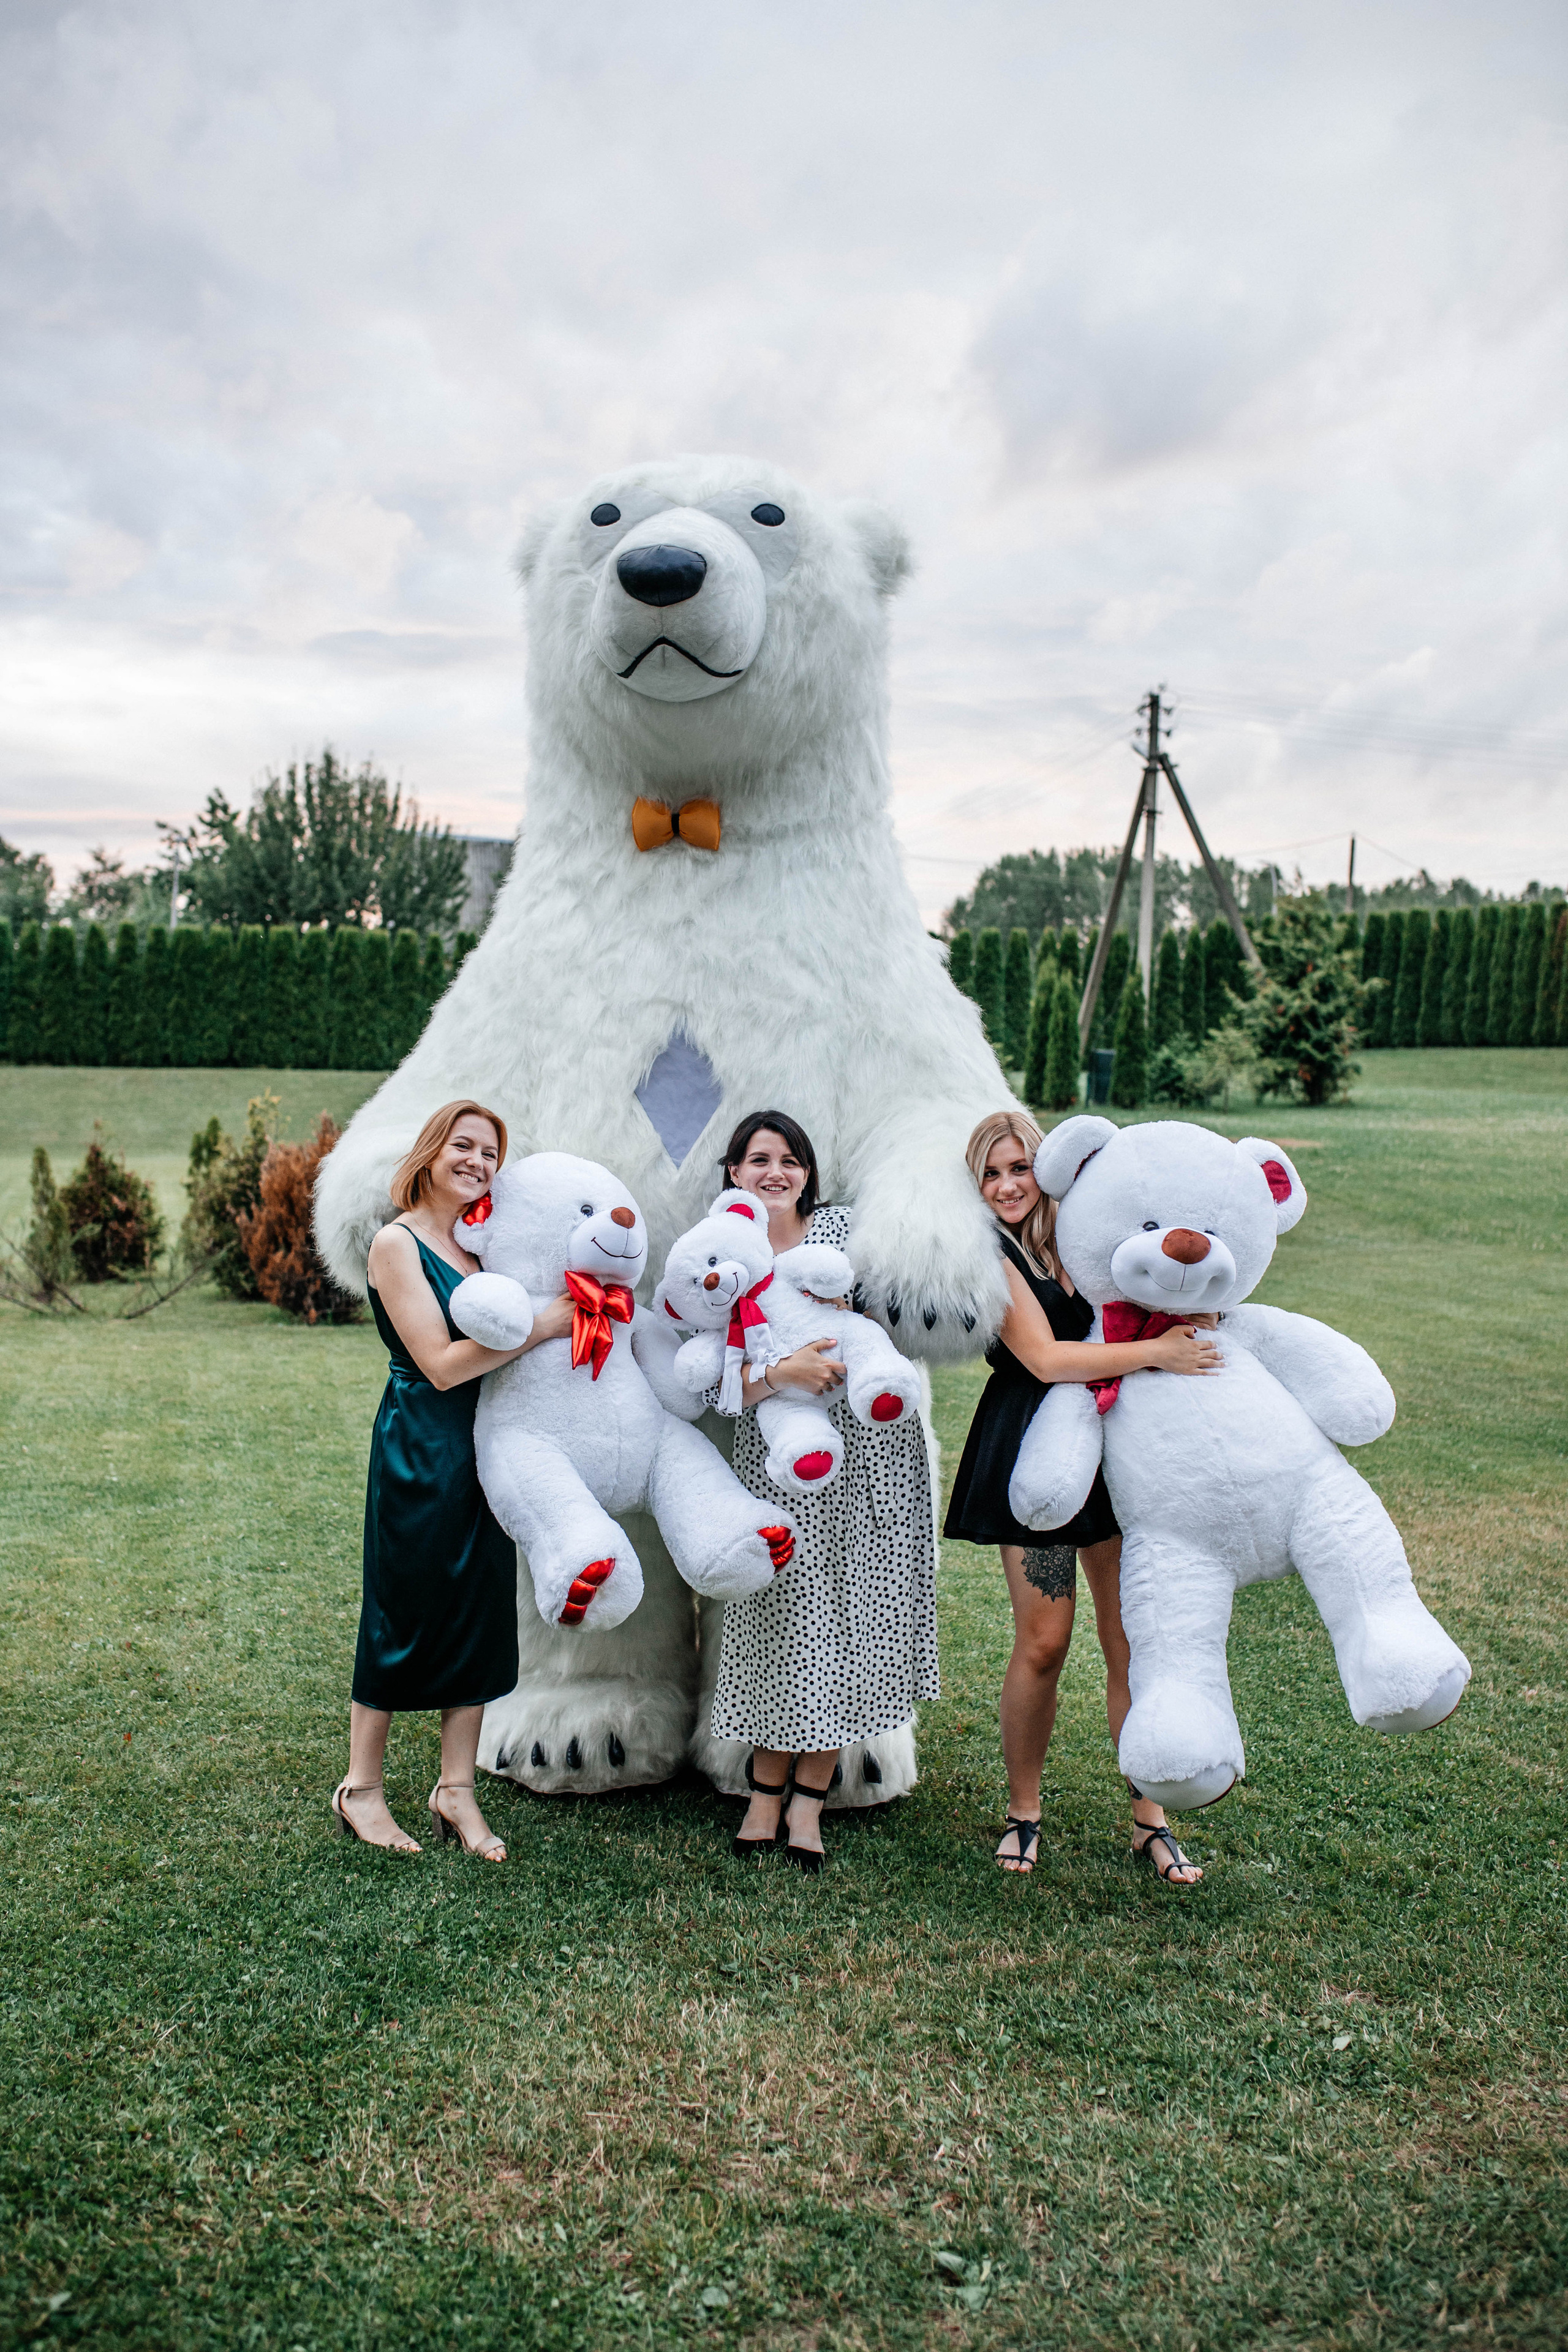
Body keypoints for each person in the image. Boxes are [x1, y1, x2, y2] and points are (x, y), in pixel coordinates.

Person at [944, 1111, 1220, 1885]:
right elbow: (1041, 1357)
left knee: (1130, 1636)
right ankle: (1024, 1812)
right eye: (989, 1173)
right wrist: (1158, 1352)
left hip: (1120, 1444)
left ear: (1050, 1170)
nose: (1005, 1186)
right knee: (1044, 1641)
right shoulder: (989, 1254)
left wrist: (1183, 1322)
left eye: (1018, 1169)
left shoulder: (1089, 1236)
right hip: (1033, 1444)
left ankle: (1150, 1818)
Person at [334, 1101, 574, 1860]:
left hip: (489, 1442)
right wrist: (542, 1323)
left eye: (490, 1153)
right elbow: (438, 1366)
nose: (477, 1162)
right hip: (422, 1443)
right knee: (403, 1608)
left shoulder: (477, 1245)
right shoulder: (397, 1244)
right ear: (431, 1151)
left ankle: (455, 1790)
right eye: (464, 1146)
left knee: (476, 1609)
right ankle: (361, 1790)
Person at [708, 1110, 940, 1874]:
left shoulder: (842, 1231)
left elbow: (892, 1317)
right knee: (781, 1613)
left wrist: (855, 1327)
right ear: (734, 1172)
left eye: (790, 1160)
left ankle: (806, 1800)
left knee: (850, 1610)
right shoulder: (721, 1251)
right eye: (758, 1159)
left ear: (808, 1172)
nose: (775, 1172)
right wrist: (781, 1374)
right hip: (778, 1459)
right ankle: (763, 1787)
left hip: (866, 1451)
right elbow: (712, 1383)